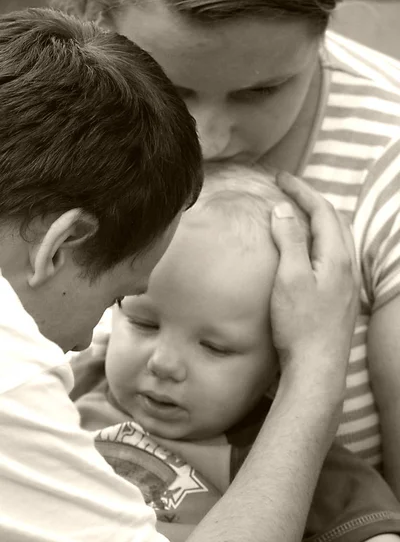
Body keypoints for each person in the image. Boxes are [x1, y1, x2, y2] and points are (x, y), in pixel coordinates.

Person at [0, 7, 359, 542]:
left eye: (215, 346)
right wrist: (316, 371)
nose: (82, 344)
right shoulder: (15, 380)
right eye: (121, 303)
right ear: (60, 245)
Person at [54, 0, 400, 492]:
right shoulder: (42, 122)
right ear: (99, 18)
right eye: (167, 84)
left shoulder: (388, 168)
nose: (208, 141)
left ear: (329, 10)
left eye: (262, 90)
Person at [71, 163, 400, 542]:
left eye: (214, 347)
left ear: (277, 367)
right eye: (143, 323)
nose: (163, 363)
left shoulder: (286, 451)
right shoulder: (74, 385)